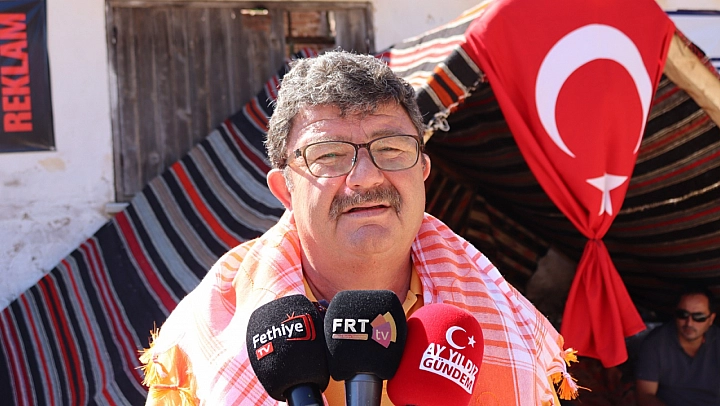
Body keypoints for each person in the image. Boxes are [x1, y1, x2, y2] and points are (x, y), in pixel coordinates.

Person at [139, 50, 577, 405]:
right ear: (285, 190)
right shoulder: (207, 334)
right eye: (329, 155)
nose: (366, 177)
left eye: (391, 149)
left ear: (423, 172)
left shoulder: (510, 325)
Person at [635, 287, 720, 405]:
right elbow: (645, 395)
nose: (689, 323)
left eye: (698, 317)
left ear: (711, 319)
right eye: (683, 314)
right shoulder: (656, 342)